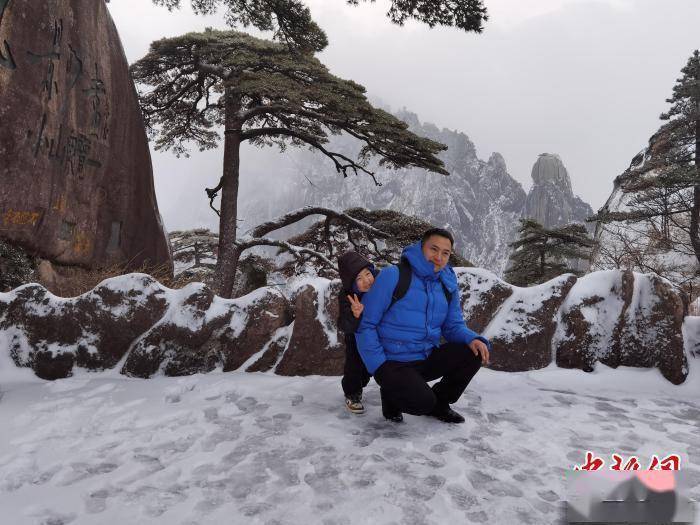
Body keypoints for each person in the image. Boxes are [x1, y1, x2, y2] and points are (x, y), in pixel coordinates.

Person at [355, 228, 491, 424]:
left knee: (474, 352)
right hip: (393, 362)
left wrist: (472, 338)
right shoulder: (393, 276)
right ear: (421, 247)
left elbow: (452, 326)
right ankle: (393, 393)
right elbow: (365, 324)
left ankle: (440, 403)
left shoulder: (446, 283)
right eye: (433, 249)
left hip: (426, 356)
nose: (439, 257)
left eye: (445, 253)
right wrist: (379, 366)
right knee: (421, 403)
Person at [337, 251, 378, 415]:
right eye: (359, 279)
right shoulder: (347, 295)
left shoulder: (381, 283)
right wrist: (355, 314)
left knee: (369, 368)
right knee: (355, 364)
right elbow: (343, 324)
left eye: (368, 274)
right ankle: (352, 393)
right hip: (355, 335)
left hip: (376, 333)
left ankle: (362, 382)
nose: (367, 280)